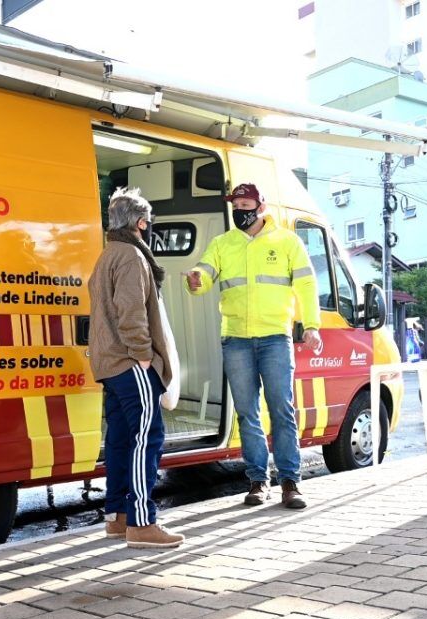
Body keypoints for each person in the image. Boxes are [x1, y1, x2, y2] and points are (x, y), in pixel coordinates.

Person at [184, 183, 322, 509]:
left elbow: (306, 284)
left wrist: (312, 325)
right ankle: (258, 481)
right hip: (236, 340)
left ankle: (291, 482)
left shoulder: (287, 242)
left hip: (275, 337)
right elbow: (205, 273)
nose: (239, 211)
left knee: (282, 411)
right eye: (235, 205)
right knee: (247, 414)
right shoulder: (222, 243)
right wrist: (196, 281)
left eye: (245, 204)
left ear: (260, 207)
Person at [89, 187, 183, 549]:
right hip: (130, 363)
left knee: (120, 439)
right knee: (148, 438)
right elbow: (131, 312)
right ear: (141, 222)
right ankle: (143, 523)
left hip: (109, 363)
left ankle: (118, 517)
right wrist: (144, 356)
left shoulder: (107, 254)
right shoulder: (131, 256)